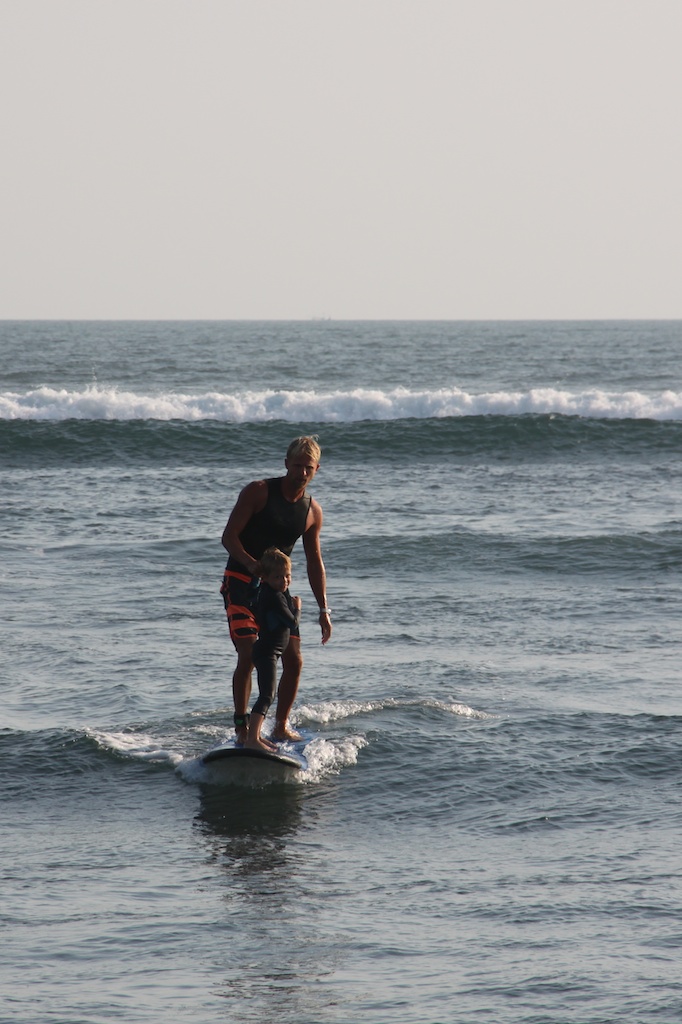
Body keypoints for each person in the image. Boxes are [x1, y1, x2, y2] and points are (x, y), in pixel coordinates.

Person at [220, 435, 332, 743]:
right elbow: (229, 536)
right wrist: (251, 564)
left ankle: (280, 725)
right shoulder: (258, 492)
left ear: (317, 469)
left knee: (294, 660)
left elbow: (314, 562)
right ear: (286, 464)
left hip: (276, 592)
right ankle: (243, 729)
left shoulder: (312, 512)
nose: (301, 473)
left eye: (308, 468)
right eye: (296, 466)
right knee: (248, 653)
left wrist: (323, 610)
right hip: (241, 584)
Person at [245, 547, 301, 752]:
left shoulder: (266, 591)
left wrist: (256, 579)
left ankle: (255, 736)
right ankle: (252, 739)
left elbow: (250, 594)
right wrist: (298, 607)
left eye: (287, 576)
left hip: (265, 651)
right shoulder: (276, 597)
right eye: (278, 577)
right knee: (267, 695)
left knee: (266, 694)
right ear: (267, 577)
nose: (284, 581)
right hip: (267, 652)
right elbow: (292, 622)